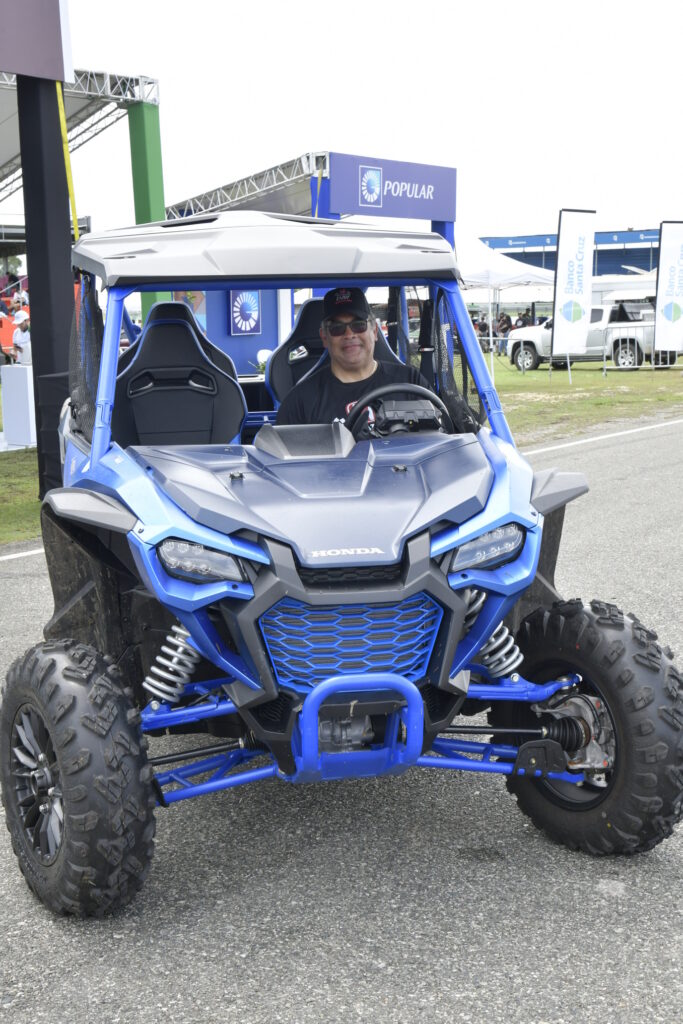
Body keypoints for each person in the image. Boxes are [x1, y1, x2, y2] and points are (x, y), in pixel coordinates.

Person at [275, 287, 429, 425]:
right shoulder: (300, 402)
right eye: (337, 328)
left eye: (359, 325)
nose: (349, 334)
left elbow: (437, 439)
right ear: (324, 337)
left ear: (374, 331)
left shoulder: (411, 383)